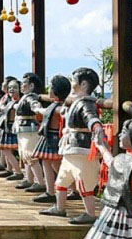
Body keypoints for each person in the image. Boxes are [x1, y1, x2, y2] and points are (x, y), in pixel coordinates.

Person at [40, 67, 105, 225]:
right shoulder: (77, 102)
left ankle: (90, 213)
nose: (71, 83)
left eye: (73, 80)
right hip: (71, 149)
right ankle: (59, 207)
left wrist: (96, 127)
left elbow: (90, 117)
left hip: (81, 149)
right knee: (62, 181)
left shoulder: (85, 103)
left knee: (84, 184)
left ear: (83, 84)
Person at [31, 74, 70, 204]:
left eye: (51, 87)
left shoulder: (59, 107)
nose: (49, 89)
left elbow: (48, 112)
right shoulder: (57, 106)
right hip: (52, 136)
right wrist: (38, 109)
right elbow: (46, 111)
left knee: (48, 163)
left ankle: (50, 191)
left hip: (52, 137)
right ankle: (72, 189)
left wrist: (38, 109)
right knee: (56, 165)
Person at [14, 72, 47, 192]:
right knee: (25, 155)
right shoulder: (25, 97)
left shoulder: (31, 97)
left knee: (30, 156)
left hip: (28, 130)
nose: (21, 86)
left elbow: (34, 105)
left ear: (32, 85)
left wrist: (38, 109)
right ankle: (30, 179)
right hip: (23, 129)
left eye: (24, 83)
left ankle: (40, 182)